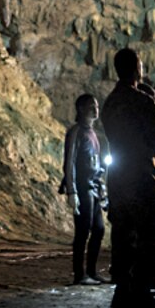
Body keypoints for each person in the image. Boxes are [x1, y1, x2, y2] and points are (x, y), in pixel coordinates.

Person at [101, 48, 155, 308]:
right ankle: (140, 289)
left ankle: (121, 290)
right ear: (137, 68)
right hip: (141, 176)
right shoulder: (142, 101)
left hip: (118, 177)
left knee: (122, 234)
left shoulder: (110, 103)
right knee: (150, 233)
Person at [62, 94, 108, 285]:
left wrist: (102, 185)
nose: (96, 109)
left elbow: (96, 163)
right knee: (83, 231)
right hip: (82, 187)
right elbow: (70, 162)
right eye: (91, 106)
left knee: (99, 229)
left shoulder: (93, 134)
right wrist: (72, 191)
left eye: (96, 106)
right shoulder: (76, 132)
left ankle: (91, 271)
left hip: (94, 187)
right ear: (81, 109)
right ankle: (79, 274)